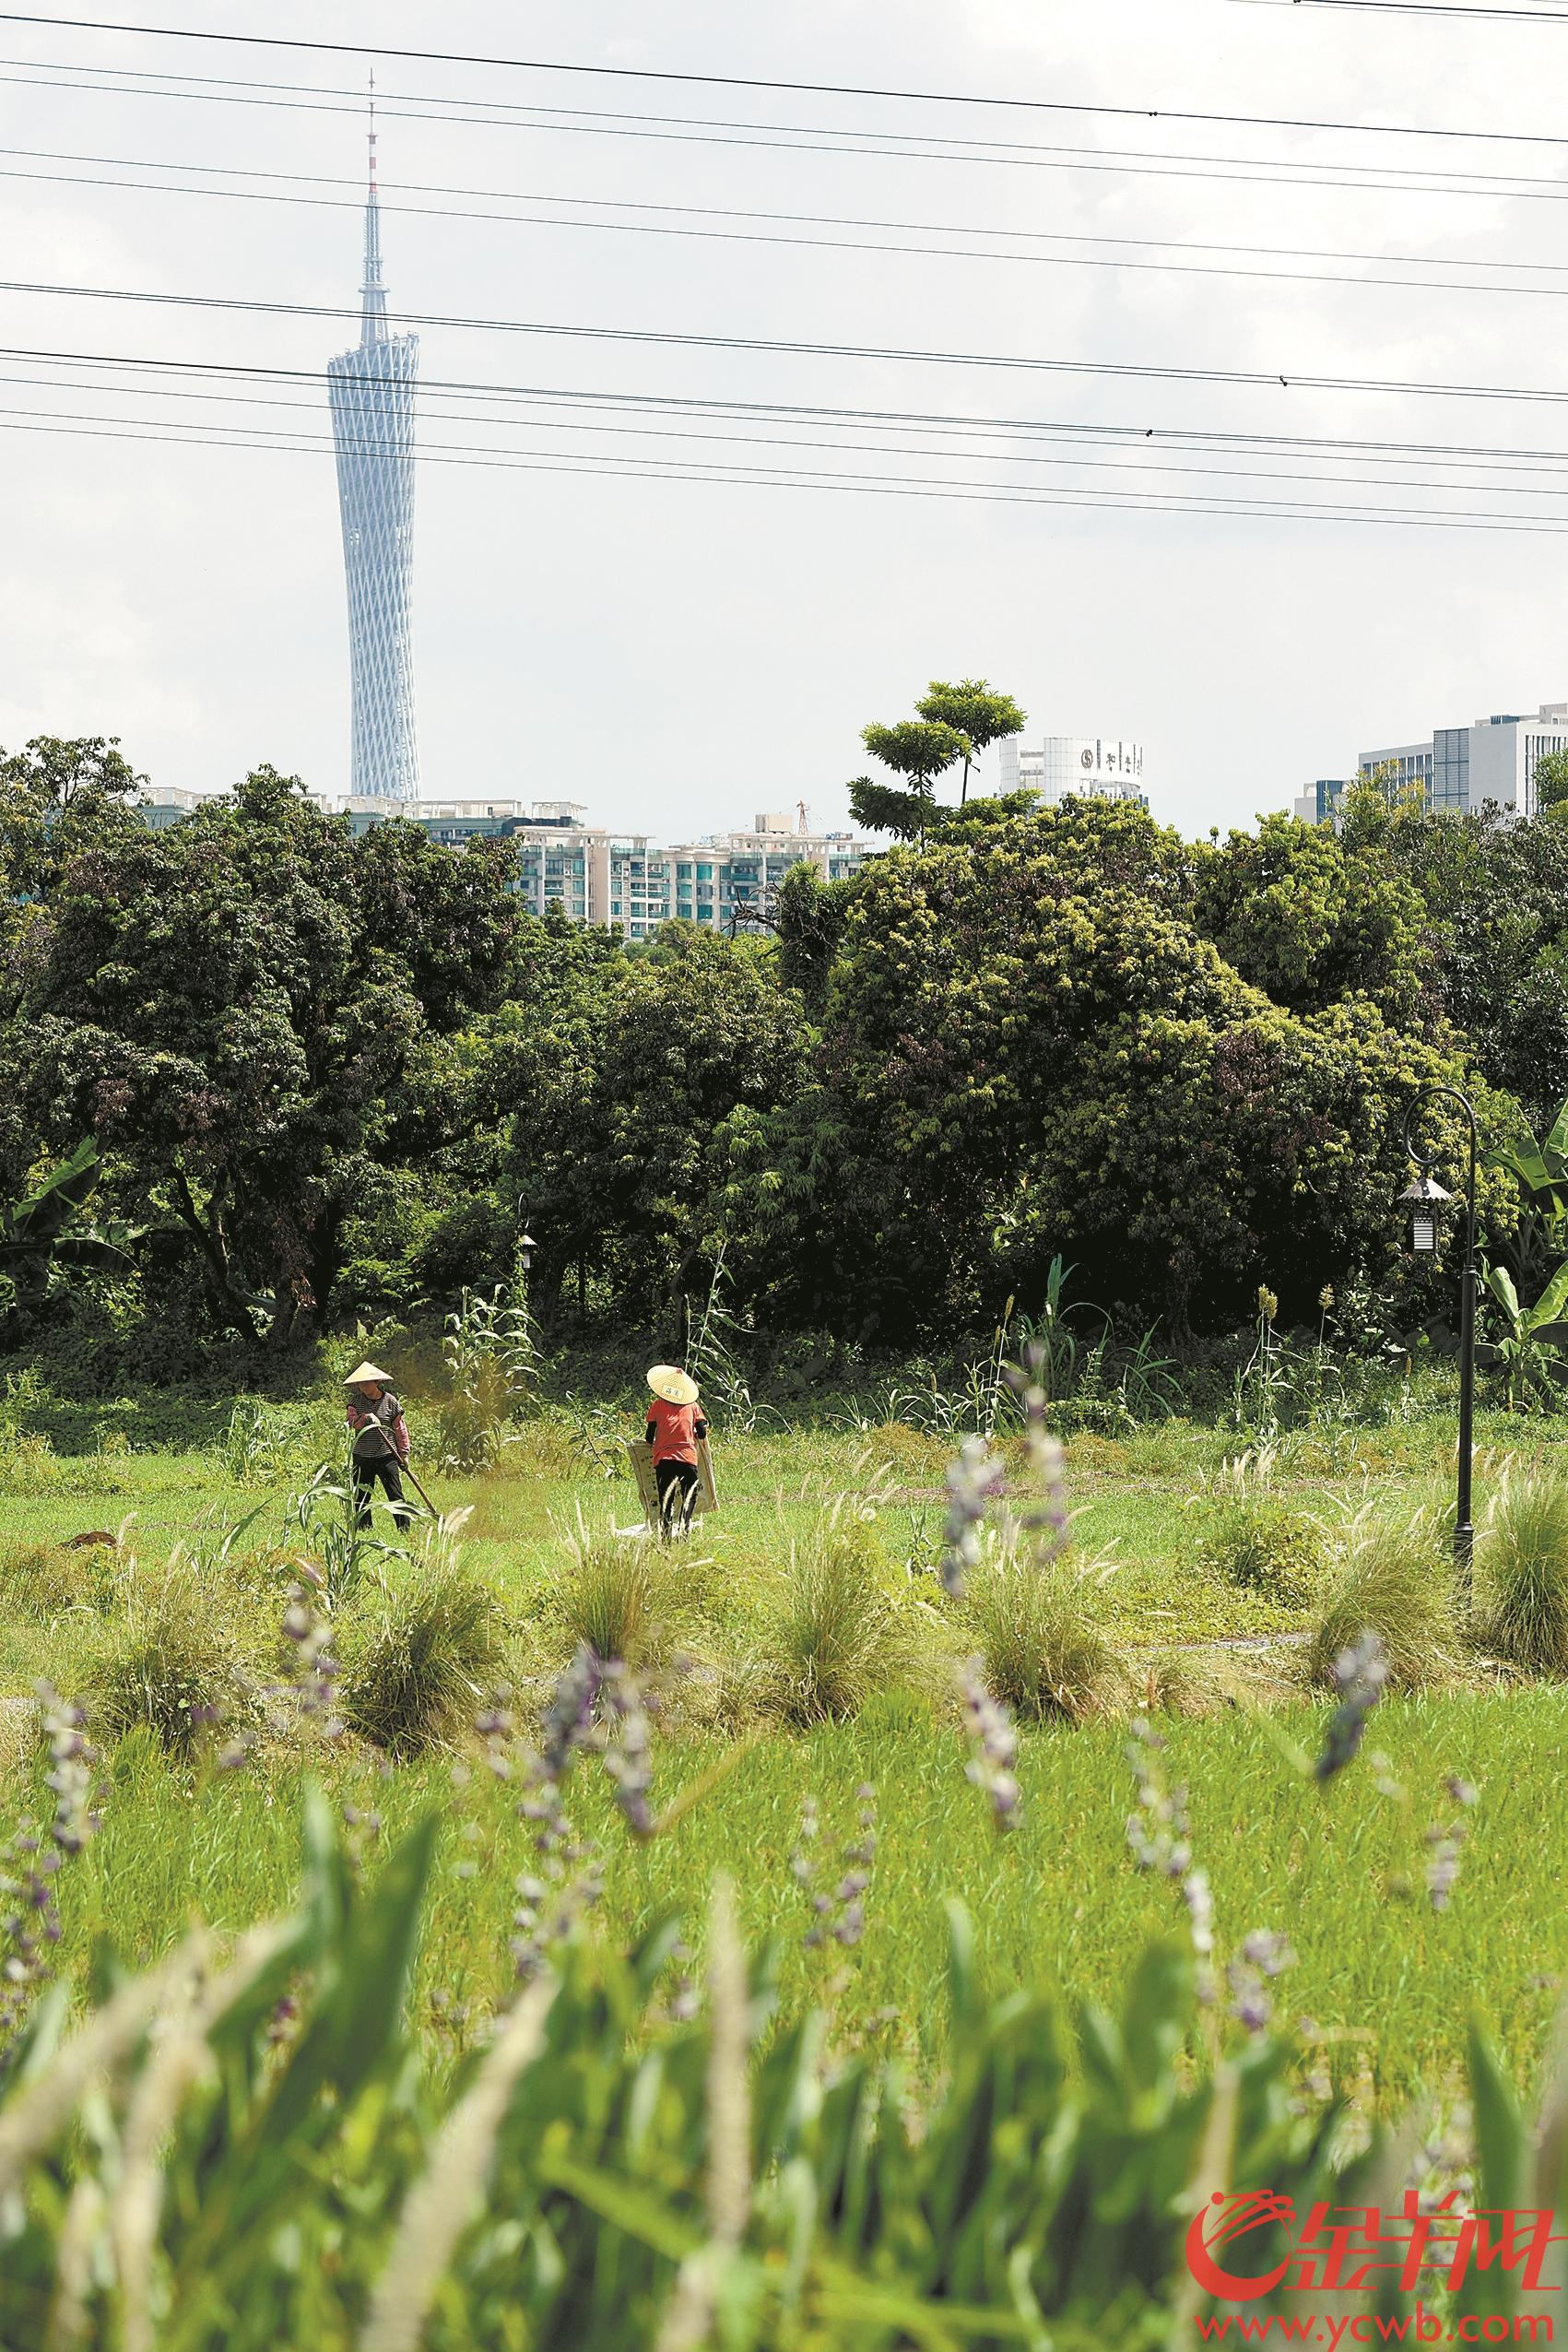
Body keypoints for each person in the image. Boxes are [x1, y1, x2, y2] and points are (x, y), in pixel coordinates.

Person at [343, 1361, 412, 1530]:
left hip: (387, 1456)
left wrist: (404, 1454)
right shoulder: (355, 1402)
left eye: (366, 1382)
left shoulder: (390, 1401)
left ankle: (404, 1529)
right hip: (362, 1456)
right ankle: (364, 1528)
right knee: (362, 1495)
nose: (363, 1386)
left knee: (395, 1494)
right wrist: (367, 1417)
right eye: (360, 1383)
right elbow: (351, 1422)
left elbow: (400, 1428)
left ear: (376, 1382)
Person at [644, 1365, 709, 1532]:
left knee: (666, 1499)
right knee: (689, 1497)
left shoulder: (657, 1405)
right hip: (687, 1459)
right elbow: (702, 1433)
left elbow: (649, 1437)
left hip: (664, 1460)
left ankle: (665, 1536)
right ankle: (684, 1530)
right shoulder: (693, 1406)